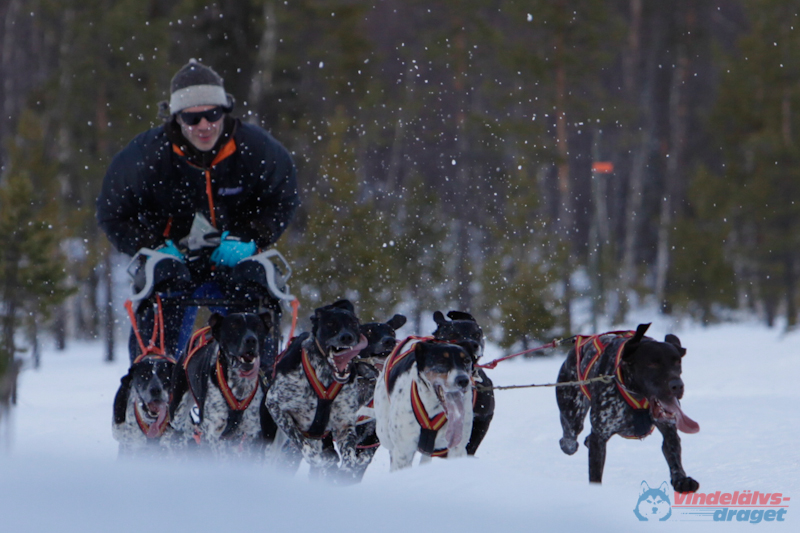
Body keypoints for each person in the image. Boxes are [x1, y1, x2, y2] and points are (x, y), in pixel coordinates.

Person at [97, 59, 299, 362]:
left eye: (212, 115)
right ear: (176, 118)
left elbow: (283, 196)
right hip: (173, 260)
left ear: (225, 110)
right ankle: (158, 387)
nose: (204, 126)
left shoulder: (256, 149)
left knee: (254, 289)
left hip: (233, 258)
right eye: (192, 119)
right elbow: (111, 212)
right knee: (162, 294)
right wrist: (152, 247)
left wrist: (251, 236)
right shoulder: (145, 156)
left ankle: (259, 386)